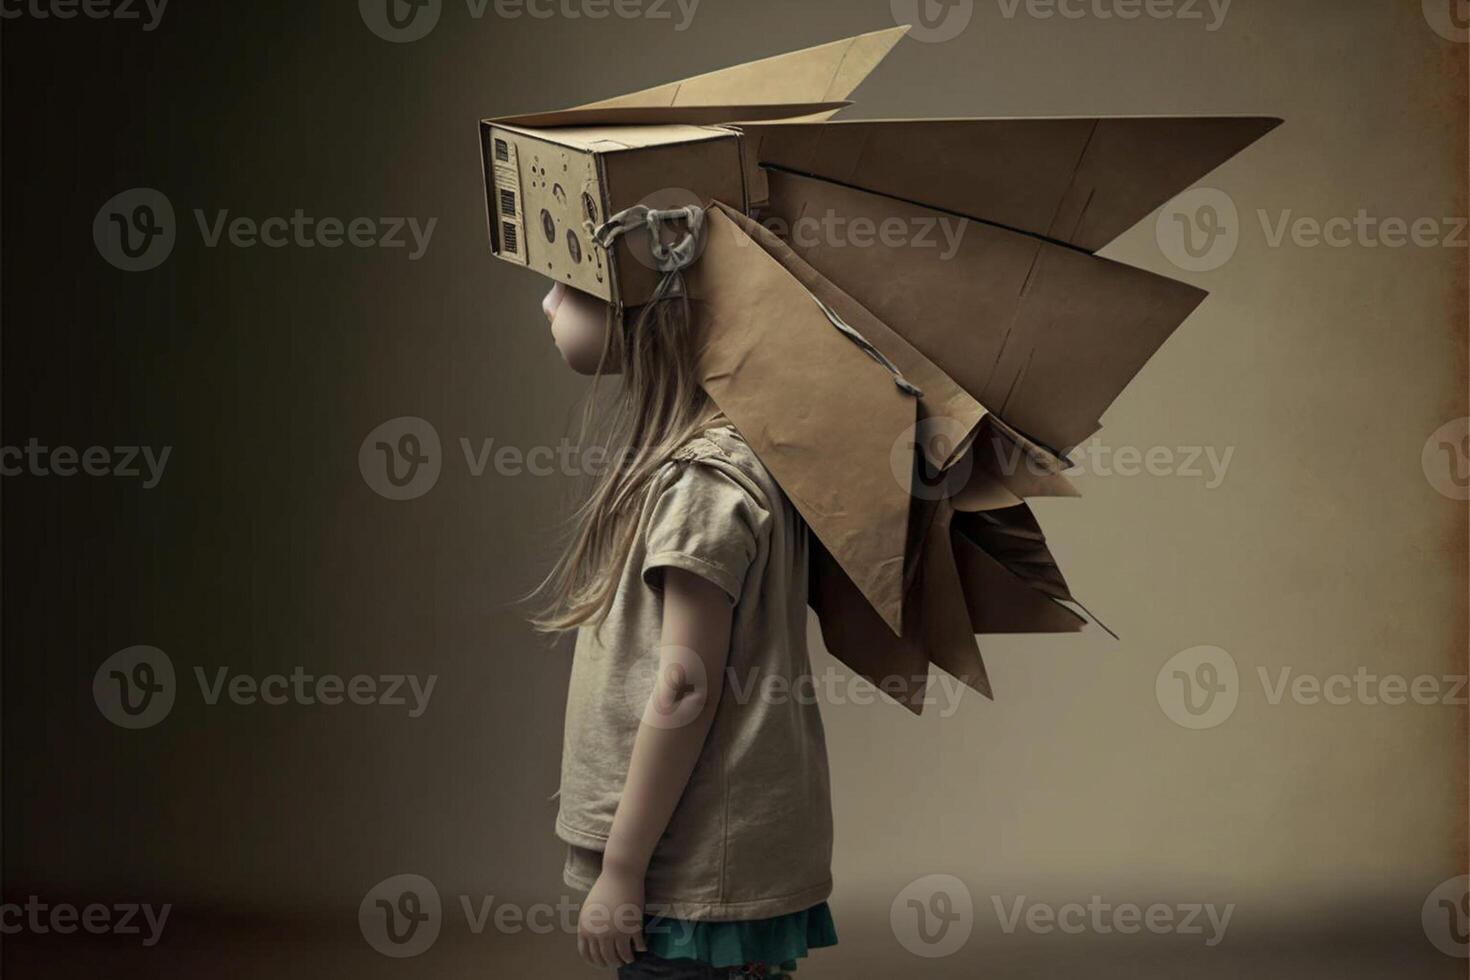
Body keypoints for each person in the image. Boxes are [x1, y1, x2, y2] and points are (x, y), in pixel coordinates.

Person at [531, 282, 838, 978]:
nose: (548, 303)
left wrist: (622, 867)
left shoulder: (704, 483)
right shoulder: (739, 459)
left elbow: (684, 687)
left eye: (573, 282)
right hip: (711, 866)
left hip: (690, 876)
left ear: (656, 309)